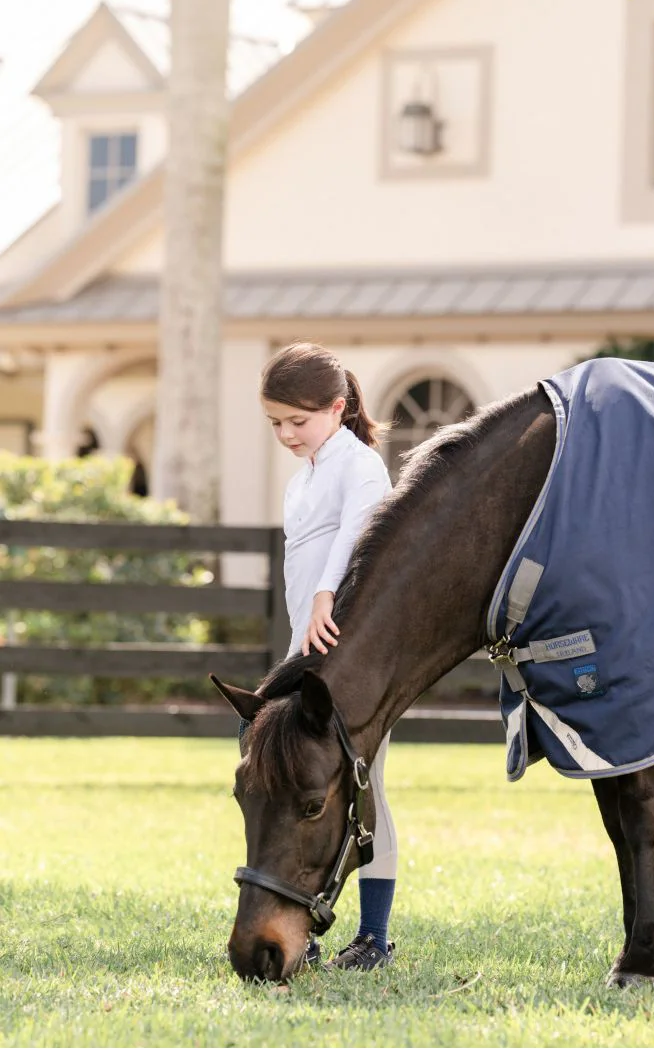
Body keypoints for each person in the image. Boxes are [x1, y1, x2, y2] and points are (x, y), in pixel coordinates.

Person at [260, 341, 398, 972]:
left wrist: (325, 593)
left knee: (365, 791)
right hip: (305, 657)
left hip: (350, 656)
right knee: (292, 789)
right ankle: (301, 916)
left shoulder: (359, 464)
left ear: (338, 408)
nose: (287, 434)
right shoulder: (305, 476)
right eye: (277, 423)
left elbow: (360, 535)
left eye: (299, 420)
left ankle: (373, 935)